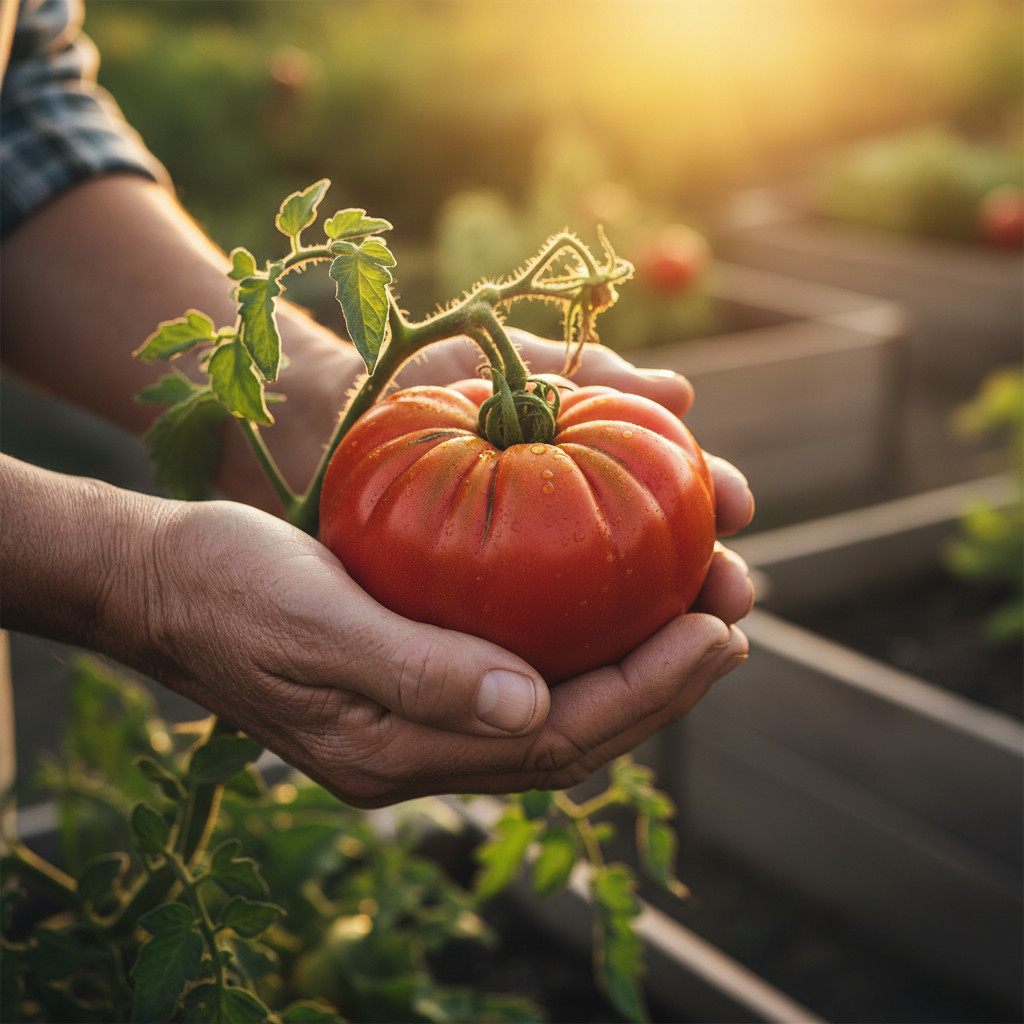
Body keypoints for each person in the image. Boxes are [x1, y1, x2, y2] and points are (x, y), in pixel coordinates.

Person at [0, 0, 754, 808]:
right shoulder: (612, 458)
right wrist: (132, 581)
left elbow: (23, 108)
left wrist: (318, 395)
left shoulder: (420, 446)